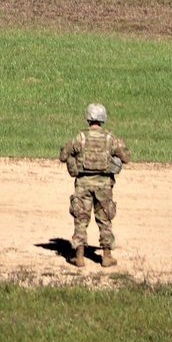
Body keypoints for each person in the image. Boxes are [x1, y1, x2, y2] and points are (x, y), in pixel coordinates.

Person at [59, 103, 130, 269]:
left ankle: (79, 257)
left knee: (81, 220)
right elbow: (126, 157)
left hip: (83, 184)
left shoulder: (80, 138)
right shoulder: (110, 138)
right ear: (103, 118)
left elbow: (63, 155)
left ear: (88, 118)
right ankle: (106, 256)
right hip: (104, 186)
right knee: (105, 220)